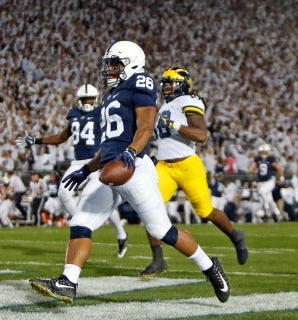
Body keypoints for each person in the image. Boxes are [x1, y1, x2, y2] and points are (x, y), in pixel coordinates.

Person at [29, 40, 229, 304]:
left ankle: (210, 266)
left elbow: (145, 126)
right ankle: (68, 283)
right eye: (109, 64)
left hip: (134, 167)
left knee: (161, 230)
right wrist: (87, 169)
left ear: (131, 63)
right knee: (80, 222)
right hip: (111, 168)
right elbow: (109, 145)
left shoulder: (140, 82)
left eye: (115, 63)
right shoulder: (111, 95)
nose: (109, 69)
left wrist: (132, 152)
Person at [141, 67, 247, 277]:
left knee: (206, 212)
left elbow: (200, 135)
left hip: (187, 164)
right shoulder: (165, 106)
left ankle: (236, 236)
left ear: (183, 84)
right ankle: (158, 260)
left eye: (171, 82)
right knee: (149, 209)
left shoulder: (189, 101)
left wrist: (173, 125)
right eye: (165, 83)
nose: (166, 87)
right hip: (165, 166)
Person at [17, 83, 129, 258]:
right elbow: (60, 138)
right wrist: (35, 141)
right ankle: (82, 224)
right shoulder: (74, 115)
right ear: (78, 100)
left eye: (90, 98)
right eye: (84, 99)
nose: (87, 101)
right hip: (78, 163)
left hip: (97, 162)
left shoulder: (102, 113)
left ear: (96, 98)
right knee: (63, 193)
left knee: (104, 200)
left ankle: (121, 235)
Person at [248, 143, 285, 222]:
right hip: (261, 182)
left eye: (265, 152)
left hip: (269, 181)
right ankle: (278, 215)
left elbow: (279, 168)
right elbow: (253, 169)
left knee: (262, 192)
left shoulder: (271, 159)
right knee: (270, 200)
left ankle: (265, 209)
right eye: (262, 152)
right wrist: (250, 169)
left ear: (268, 152)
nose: (264, 154)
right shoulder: (257, 159)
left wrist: (281, 178)